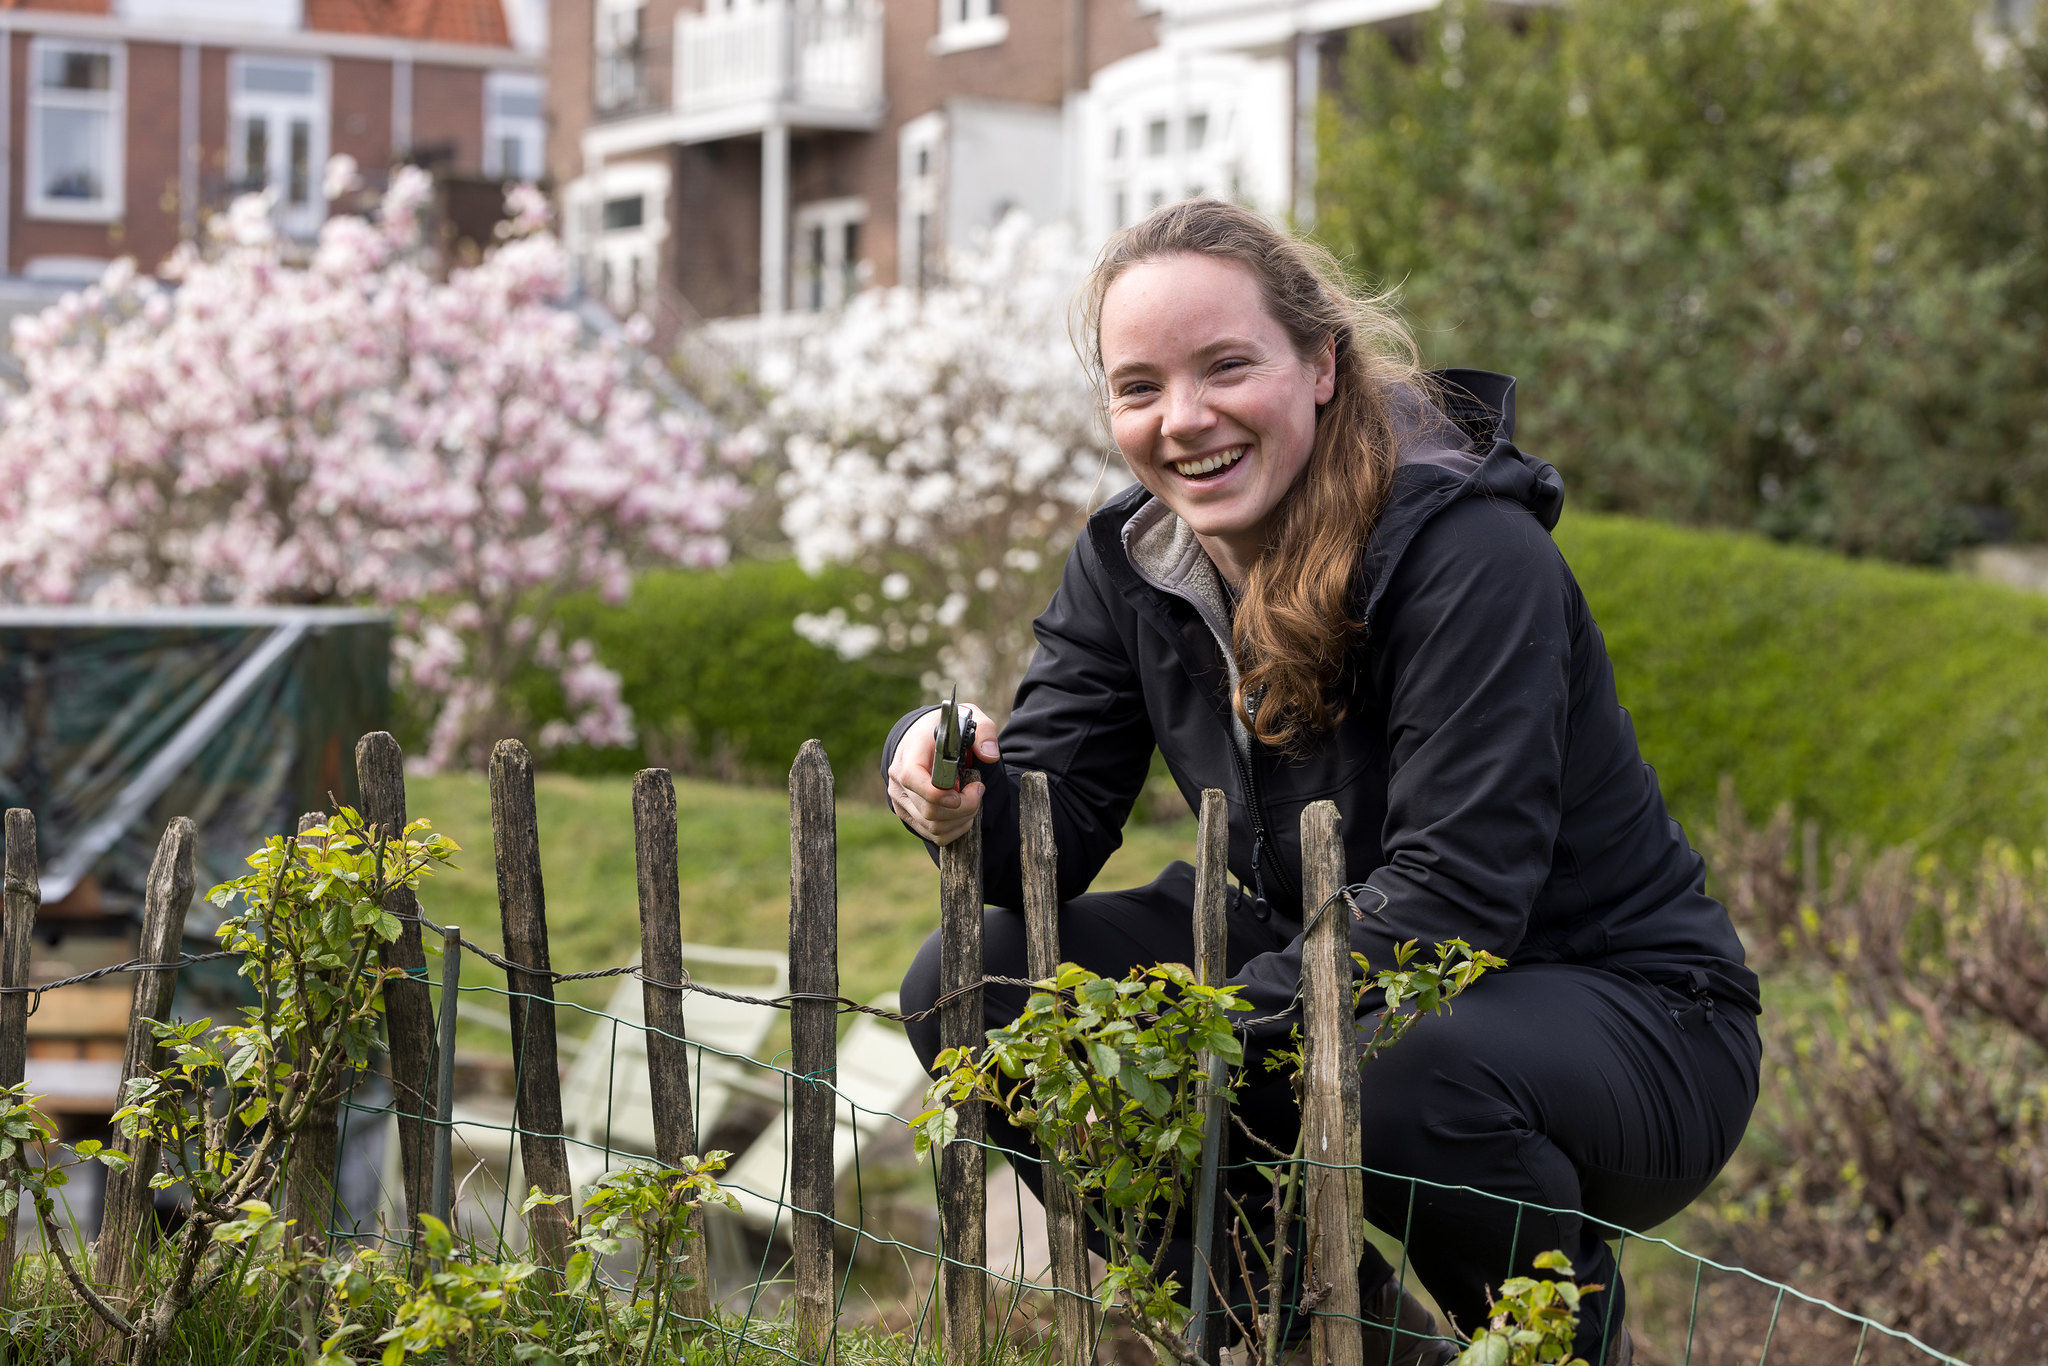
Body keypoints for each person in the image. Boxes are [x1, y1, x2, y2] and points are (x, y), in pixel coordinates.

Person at [884, 199, 1760, 1365]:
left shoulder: (1469, 556)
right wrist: (948, 779)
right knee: (972, 981)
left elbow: (1454, 899)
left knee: (1395, 1060)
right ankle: (1318, 1340)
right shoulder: (1134, 559)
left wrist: (1187, 1045)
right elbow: (1048, 836)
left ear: (1320, 366)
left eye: (1225, 367)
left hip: (1626, 1018)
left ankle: (1545, 1351)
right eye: (1138, 386)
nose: (1182, 419)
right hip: (1316, 973)